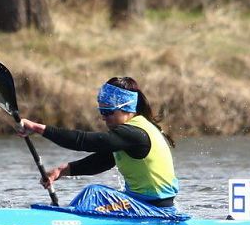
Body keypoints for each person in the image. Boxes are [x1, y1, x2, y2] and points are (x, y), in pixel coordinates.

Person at [17, 77, 181, 214]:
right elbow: (100, 162)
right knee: (93, 195)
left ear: (127, 108)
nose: (104, 118)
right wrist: (61, 171)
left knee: (94, 193)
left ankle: (65, 217)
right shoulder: (134, 132)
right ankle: (68, 214)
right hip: (145, 205)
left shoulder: (135, 133)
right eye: (102, 112)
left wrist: (39, 128)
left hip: (154, 209)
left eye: (109, 112)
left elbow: (84, 141)